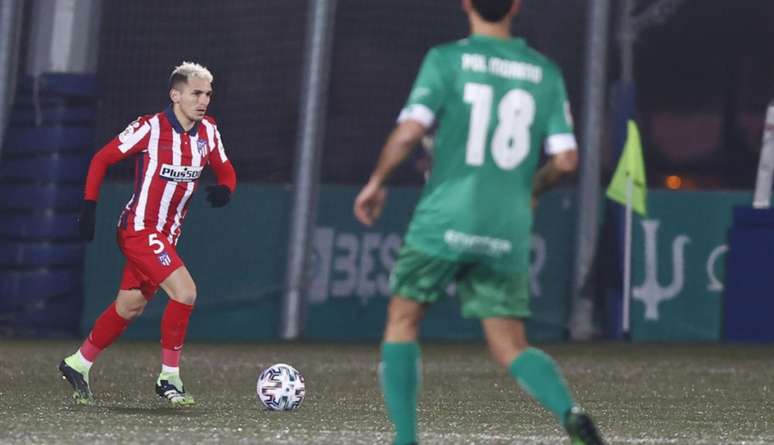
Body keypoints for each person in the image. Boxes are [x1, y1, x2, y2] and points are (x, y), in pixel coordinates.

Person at [353, 1, 605, 444]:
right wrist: (532, 189)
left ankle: (406, 439)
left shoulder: (446, 59)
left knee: (403, 319)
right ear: (516, 6)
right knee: (511, 345)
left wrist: (376, 181)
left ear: (466, 3)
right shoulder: (544, 71)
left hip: (445, 216)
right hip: (506, 225)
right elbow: (566, 160)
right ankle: (570, 410)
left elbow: (411, 131)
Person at [59, 61, 237, 406]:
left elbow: (227, 171)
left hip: (166, 237)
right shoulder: (150, 128)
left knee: (129, 307)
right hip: (139, 230)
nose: (204, 101)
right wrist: (89, 205)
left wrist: (226, 189)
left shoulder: (209, 132)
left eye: (208, 94)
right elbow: (100, 159)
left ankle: (78, 363)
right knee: (185, 293)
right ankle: (169, 378)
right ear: (176, 94)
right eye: (196, 93)